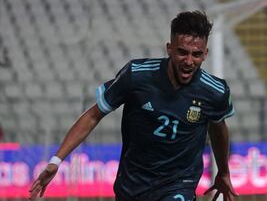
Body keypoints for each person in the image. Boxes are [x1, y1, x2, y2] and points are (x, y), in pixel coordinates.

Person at [29, 10, 237, 201]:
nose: (189, 61)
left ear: (205, 54)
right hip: (132, 185)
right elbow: (93, 115)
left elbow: (218, 128)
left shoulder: (215, 91)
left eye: (197, 54)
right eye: (182, 52)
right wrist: (56, 160)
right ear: (169, 49)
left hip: (178, 184)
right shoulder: (137, 75)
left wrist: (224, 172)